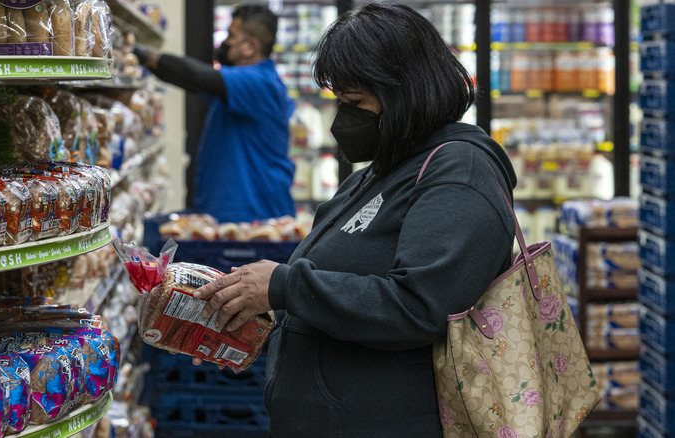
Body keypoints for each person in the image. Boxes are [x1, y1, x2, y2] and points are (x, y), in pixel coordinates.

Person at [191, 3, 519, 437]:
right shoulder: (381, 173)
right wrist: (254, 325)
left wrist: (284, 285)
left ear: (406, 92)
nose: (341, 120)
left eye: (355, 101)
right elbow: (344, 292)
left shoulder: (460, 173)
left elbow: (422, 307)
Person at [134, 5, 295, 224]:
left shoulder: (261, 82)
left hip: (256, 218)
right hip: (231, 215)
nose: (225, 42)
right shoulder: (236, 86)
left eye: (231, 36)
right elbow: (186, 79)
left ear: (250, 46)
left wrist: (142, 53)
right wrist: (142, 58)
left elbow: (197, 76)